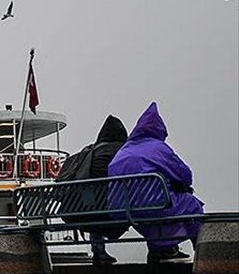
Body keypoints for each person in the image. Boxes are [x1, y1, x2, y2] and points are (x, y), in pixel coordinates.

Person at [108, 102, 205, 264]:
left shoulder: (123, 151)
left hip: (122, 209)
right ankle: (201, 253)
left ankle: (159, 250)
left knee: (149, 211)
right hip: (154, 206)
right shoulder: (158, 148)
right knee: (192, 204)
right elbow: (185, 175)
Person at [56, 115, 130, 265]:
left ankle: (98, 251)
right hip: (112, 211)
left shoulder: (87, 152)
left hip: (80, 210)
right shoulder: (122, 152)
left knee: (93, 204)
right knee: (147, 205)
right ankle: (161, 249)